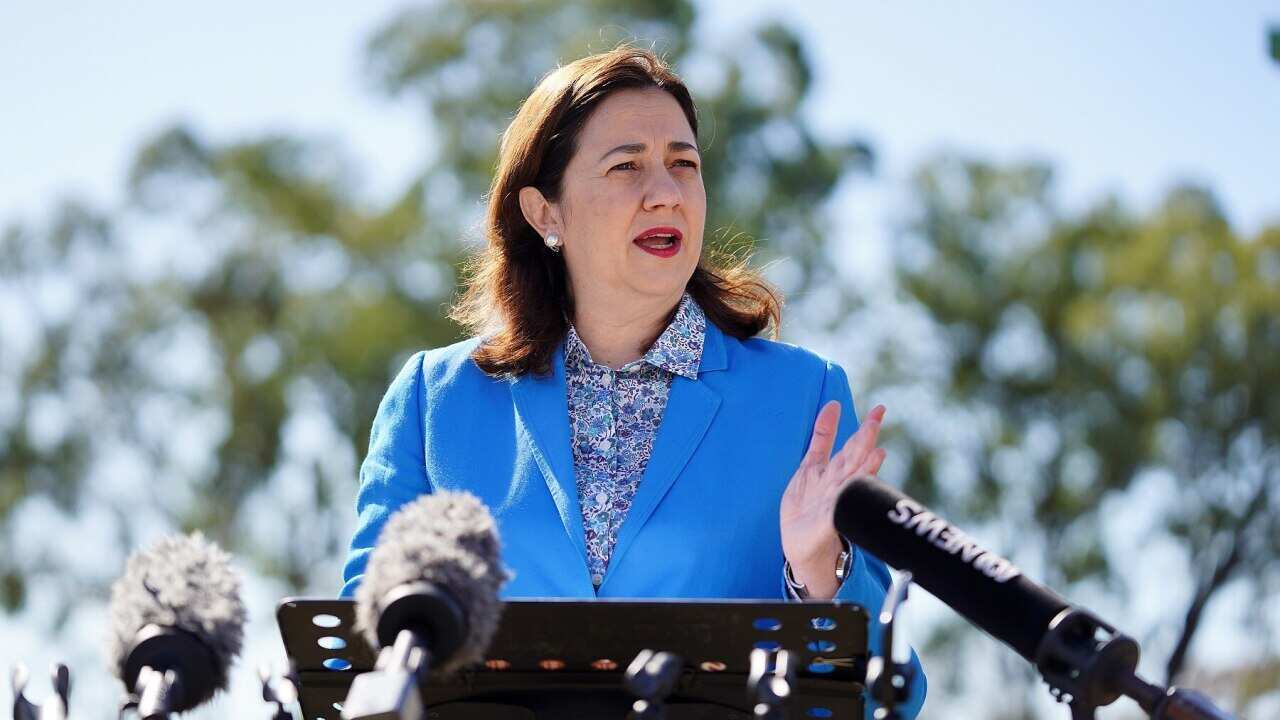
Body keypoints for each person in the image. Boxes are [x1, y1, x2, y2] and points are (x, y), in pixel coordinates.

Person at [341, 45, 926, 717]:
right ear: (545, 214)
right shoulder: (432, 400)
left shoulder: (803, 401)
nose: (666, 193)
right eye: (627, 166)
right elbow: (363, 654)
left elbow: (891, 692)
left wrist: (818, 572)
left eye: (685, 164)